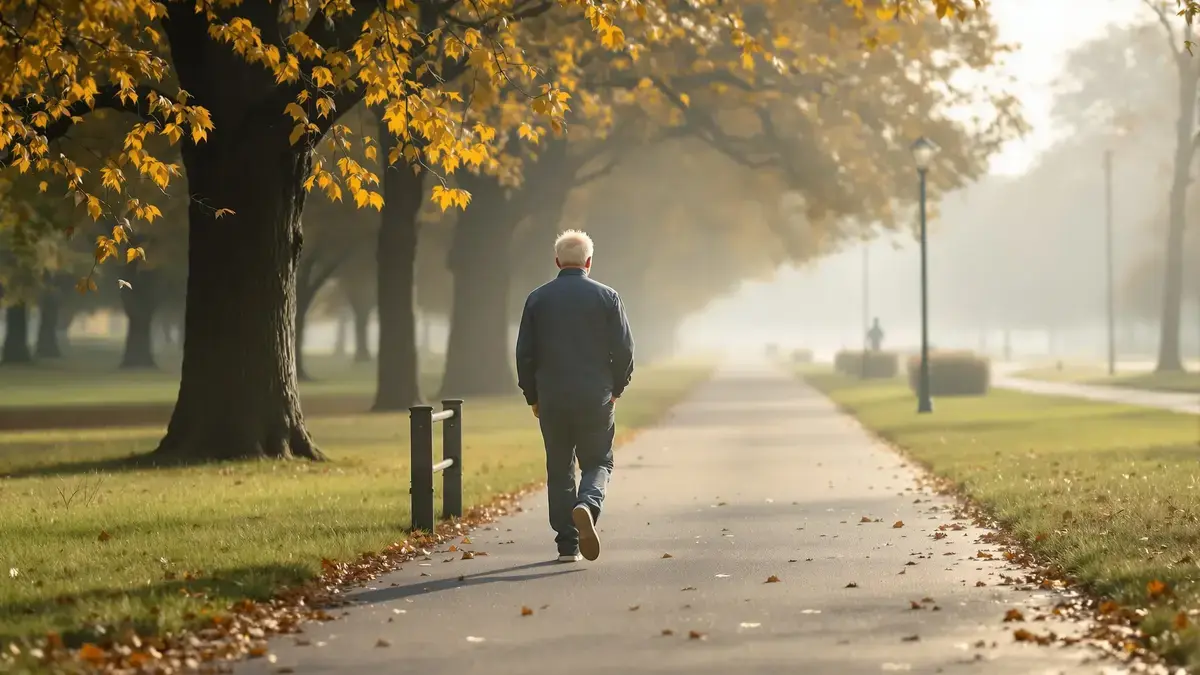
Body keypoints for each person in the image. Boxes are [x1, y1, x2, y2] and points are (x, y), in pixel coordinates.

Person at [515, 230, 635, 563]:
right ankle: (588, 504)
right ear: (589, 262)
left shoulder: (537, 299)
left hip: (552, 397)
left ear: (557, 261)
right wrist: (617, 387)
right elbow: (624, 349)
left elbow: (525, 353)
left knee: (559, 468)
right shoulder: (607, 297)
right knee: (598, 461)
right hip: (595, 396)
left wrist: (532, 396)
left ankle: (567, 545)